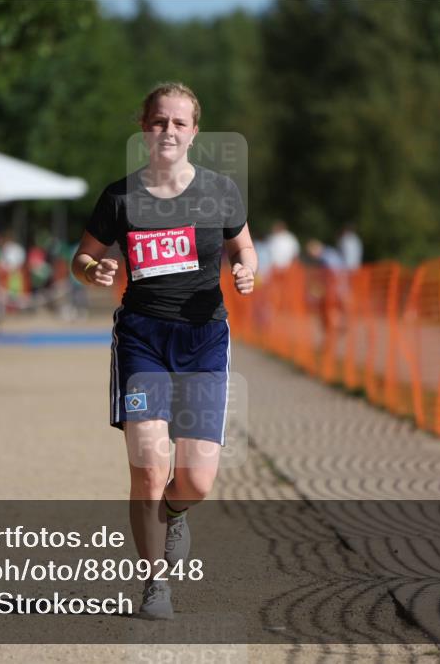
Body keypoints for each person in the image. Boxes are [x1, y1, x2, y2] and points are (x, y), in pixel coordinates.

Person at [72, 82, 257, 620]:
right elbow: (81, 258)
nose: (168, 131)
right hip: (143, 340)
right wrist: (94, 268)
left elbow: (242, 244)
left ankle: (177, 512)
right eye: (158, 121)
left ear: (195, 131)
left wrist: (247, 270)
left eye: (179, 122)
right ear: (144, 128)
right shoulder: (120, 197)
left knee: (195, 480)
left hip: (202, 340)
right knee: (149, 467)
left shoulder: (220, 191)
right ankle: (155, 583)